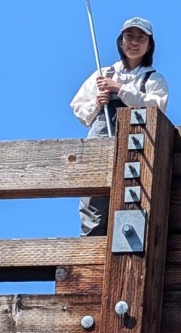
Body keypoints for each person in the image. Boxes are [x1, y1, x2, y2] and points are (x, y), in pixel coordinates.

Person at [70, 17, 169, 236]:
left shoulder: (153, 79)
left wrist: (120, 89)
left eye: (140, 38)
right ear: (121, 41)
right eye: (129, 36)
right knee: (94, 203)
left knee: (133, 200)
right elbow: (79, 108)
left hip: (136, 147)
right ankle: (90, 253)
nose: (134, 42)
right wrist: (97, 103)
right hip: (101, 144)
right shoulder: (103, 74)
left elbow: (157, 106)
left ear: (149, 45)